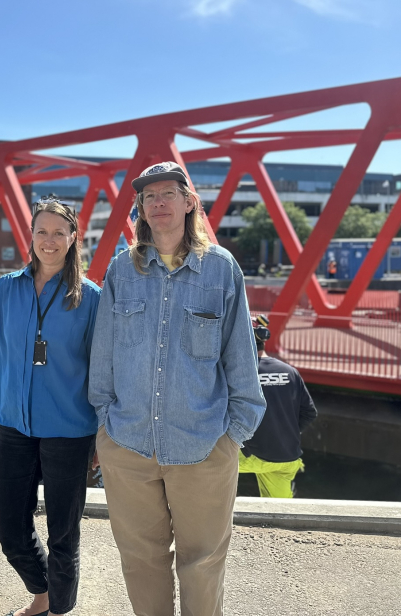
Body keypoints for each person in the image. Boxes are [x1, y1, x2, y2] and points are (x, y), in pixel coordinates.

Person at [89, 161, 266, 616]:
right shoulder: (120, 272)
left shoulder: (221, 270)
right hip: (128, 444)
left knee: (203, 563)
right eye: (149, 197)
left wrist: (234, 435)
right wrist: (104, 427)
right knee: (140, 561)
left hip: (204, 444)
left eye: (169, 193)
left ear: (190, 203)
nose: (159, 202)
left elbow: (241, 358)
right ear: (141, 210)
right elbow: (102, 357)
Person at [0, 195, 102, 616]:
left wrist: (97, 435)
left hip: (69, 428)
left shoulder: (90, 297)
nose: (49, 241)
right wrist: (4, 404)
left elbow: (98, 367)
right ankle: (44, 589)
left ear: (73, 238)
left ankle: (56, 608)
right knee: (9, 527)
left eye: (59, 233)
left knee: (63, 534)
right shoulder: (6, 288)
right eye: (42, 231)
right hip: (15, 424)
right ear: (30, 235)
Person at [239, 315, 317, 498]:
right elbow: (309, 413)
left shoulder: (241, 374)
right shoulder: (290, 372)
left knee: (204, 465)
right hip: (286, 456)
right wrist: (283, 434)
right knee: (280, 510)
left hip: (250, 456)